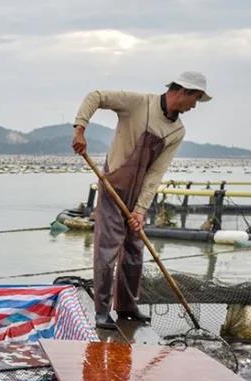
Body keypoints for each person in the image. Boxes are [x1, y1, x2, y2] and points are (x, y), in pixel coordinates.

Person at [71, 72, 210, 330]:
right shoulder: (137, 103)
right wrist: (80, 128)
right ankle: (102, 311)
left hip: (138, 196)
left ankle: (127, 307)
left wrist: (140, 210)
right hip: (114, 187)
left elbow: (156, 172)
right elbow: (96, 96)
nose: (194, 106)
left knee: (135, 251)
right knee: (107, 248)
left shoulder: (177, 131)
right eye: (195, 99)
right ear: (182, 91)